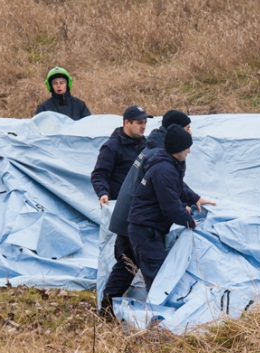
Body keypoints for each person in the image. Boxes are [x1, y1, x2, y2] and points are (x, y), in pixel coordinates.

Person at [102, 110, 193, 313]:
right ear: (175, 132)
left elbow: (172, 187)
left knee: (126, 265)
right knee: (154, 272)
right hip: (138, 220)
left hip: (130, 217)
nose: (190, 134)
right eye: (187, 130)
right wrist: (185, 214)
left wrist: (193, 198)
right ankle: (156, 318)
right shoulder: (159, 153)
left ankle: (106, 310)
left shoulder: (153, 148)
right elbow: (166, 191)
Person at [127, 125, 215, 290]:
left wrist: (195, 198)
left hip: (148, 227)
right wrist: (191, 222)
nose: (189, 151)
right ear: (177, 148)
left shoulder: (168, 164)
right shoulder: (164, 169)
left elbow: (177, 187)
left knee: (155, 274)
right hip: (145, 230)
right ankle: (156, 314)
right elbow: (171, 208)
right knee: (159, 278)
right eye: (187, 147)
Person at [91, 105, 151, 206]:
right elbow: (99, 174)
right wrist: (103, 193)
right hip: (121, 205)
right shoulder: (111, 147)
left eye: (145, 122)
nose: (143, 126)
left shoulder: (146, 145)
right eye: (139, 122)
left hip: (143, 205)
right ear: (127, 123)